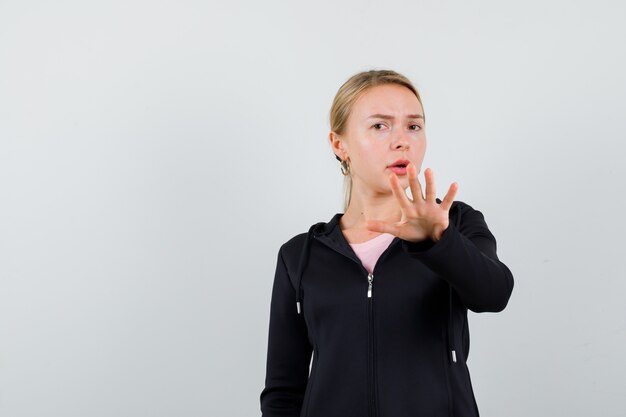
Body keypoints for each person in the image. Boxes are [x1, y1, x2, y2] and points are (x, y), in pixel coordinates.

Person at [259, 69, 514, 417]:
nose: (402, 141)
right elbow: (283, 391)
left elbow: (494, 295)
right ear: (339, 144)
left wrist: (436, 242)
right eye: (380, 126)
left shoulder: (455, 224)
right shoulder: (300, 256)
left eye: (414, 126)